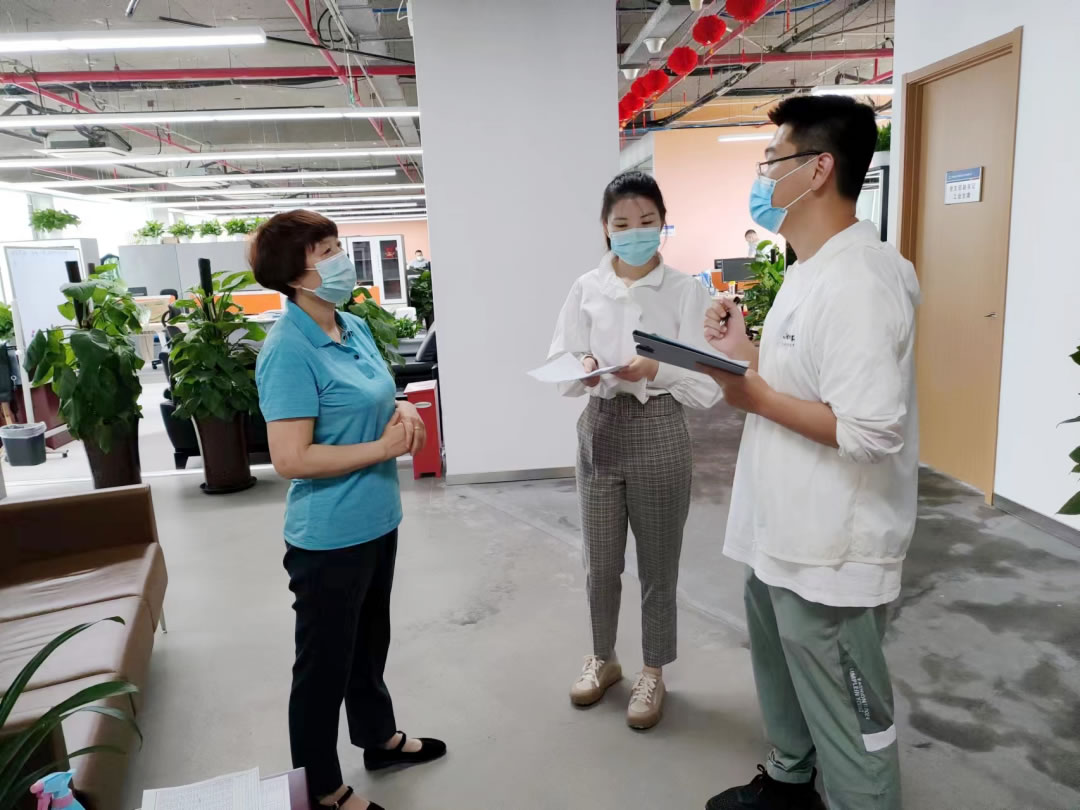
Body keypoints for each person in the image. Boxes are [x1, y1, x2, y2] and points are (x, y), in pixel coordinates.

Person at [699, 96, 918, 810]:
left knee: (851, 713)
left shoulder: (861, 281)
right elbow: (798, 383)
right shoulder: (809, 268)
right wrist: (743, 355)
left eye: (773, 160)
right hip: (784, 528)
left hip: (833, 548)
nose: (762, 177)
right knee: (782, 670)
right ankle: (791, 778)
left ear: (819, 169)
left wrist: (754, 396)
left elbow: (870, 431)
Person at [251, 210, 446, 810]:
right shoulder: (287, 349)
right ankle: (320, 788)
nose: (342, 260)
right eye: (327, 252)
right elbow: (291, 458)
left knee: (368, 644)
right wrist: (384, 449)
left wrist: (404, 409)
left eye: (338, 246)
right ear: (296, 275)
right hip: (329, 536)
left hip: (377, 519)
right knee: (323, 667)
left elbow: (377, 394)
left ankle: (377, 738)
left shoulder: (350, 324)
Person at [548, 171, 721, 730]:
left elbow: (708, 384)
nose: (635, 232)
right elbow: (564, 355)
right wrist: (583, 366)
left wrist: (656, 368)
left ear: (663, 223)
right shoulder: (586, 287)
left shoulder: (686, 291)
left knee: (657, 565)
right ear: (605, 227)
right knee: (600, 563)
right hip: (599, 427)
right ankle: (602, 657)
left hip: (660, 427)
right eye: (622, 224)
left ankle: (653, 670)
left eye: (647, 221)